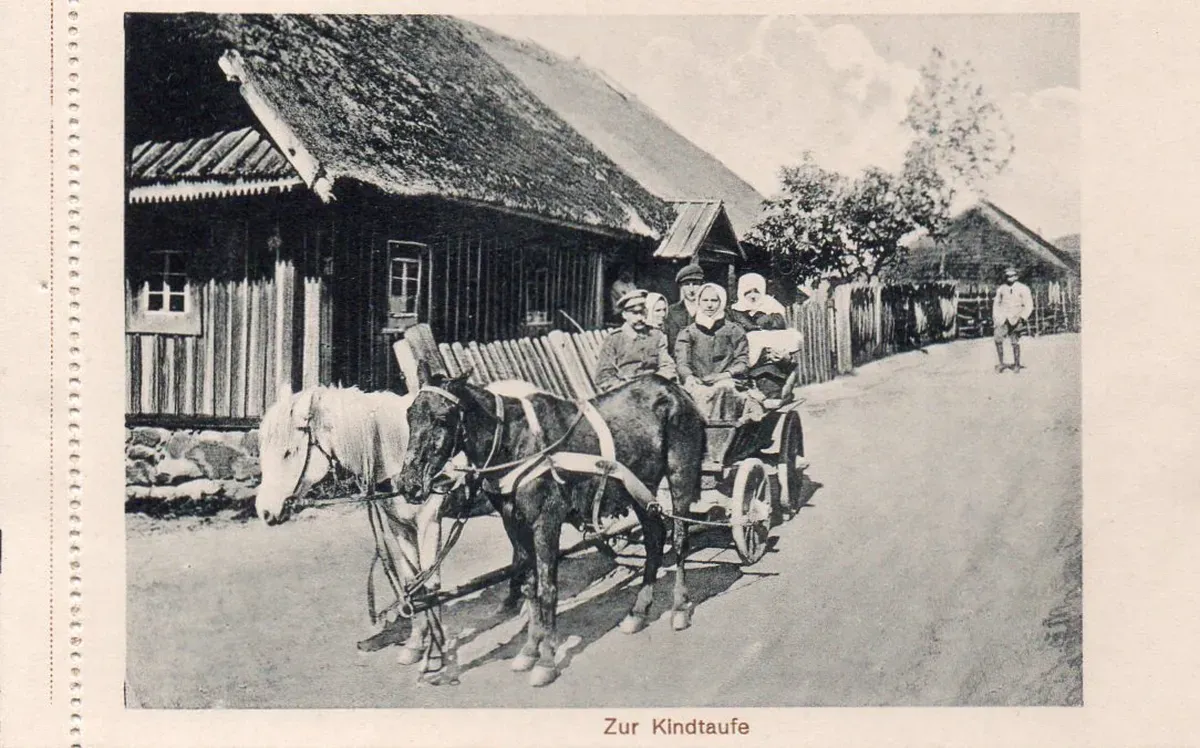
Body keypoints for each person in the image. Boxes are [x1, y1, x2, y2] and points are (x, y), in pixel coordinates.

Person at [675, 283, 764, 423]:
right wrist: (689, 377)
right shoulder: (688, 333)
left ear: (721, 302)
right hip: (698, 383)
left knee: (724, 390)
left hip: (728, 381)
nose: (709, 305)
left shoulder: (734, 330)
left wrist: (724, 375)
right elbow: (682, 362)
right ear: (698, 302)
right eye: (705, 300)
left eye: (714, 300)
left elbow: (742, 361)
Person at [594, 289, 677, 392]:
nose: (640, 318)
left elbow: (667, 366)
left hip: (653, 390)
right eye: (634, 313)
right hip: (625, 393)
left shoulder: (656, 335)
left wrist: (655, 383)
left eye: (642, 312)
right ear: (624, 315)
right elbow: (604, 376)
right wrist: (626, 388)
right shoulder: (614, 339)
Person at [993, 266, 1033, 372]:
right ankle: (1001, 363)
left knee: (1015, 341)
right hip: (1003, 318)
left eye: (1012, 276)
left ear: (1016, 276)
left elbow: (1029, 305)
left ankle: (1016, 364)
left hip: (1016, 318)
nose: (1009, 278)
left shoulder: (1023, 288)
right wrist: (996, 317)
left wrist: (1023, 317)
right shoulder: (1001, 289)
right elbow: (996, 304)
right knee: (997, 339)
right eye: (1007, 276)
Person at [663, 263, 705, 357]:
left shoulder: (708, 309)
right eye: (686, 285)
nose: (691, 289)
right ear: (681, 287)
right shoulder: (671, 312)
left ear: (702, 285)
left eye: (695, 284)